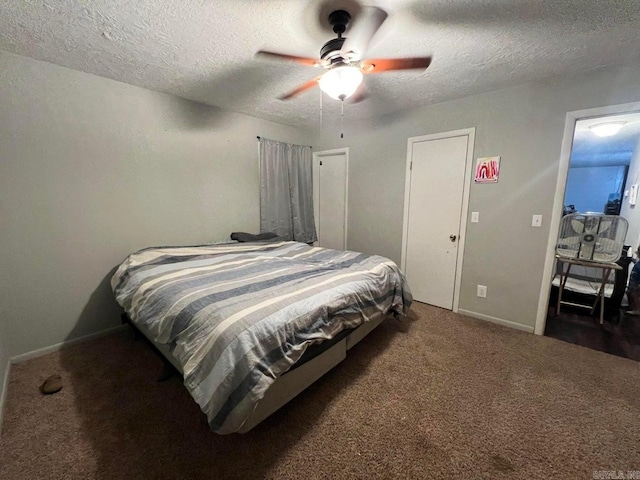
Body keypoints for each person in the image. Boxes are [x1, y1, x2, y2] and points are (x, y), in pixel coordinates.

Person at [626, 246, 640, 314]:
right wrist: (631, 258)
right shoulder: (638, 261)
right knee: (629, 293)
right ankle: (631, 307)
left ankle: (637, 309)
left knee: (635, 296)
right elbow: (635, 261)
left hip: (637, 283)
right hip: (633, 281)